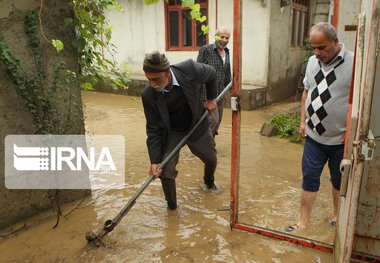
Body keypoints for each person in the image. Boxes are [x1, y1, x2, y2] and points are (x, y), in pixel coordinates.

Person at [285, 22, 354, 232]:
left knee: (338, 180)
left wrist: (352, 132)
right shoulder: (313, 63)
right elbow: (307, 92)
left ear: (335, 41)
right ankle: (304, 221)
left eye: (321, 47)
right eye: (313, 48)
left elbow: (358, 100)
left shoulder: (354, 63)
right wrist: (302, 121)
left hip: (340, 139)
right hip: (314, 136)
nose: (316, 53)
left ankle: (336, 215)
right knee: (309, 178)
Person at [141, 51, 219, 210]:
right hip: (172, 133)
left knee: (211, 159)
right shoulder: (148, 95)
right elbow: (153, 129)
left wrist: (211, 98)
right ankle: (172, 206)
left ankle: (209, 182)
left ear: (167, 73)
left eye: (156, 79)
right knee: (165, 170)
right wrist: (154, 161)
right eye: (149, 79)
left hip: (196, 126)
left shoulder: (189, 69)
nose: (152, 84)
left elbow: (211, 73)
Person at [197, 26, 231, 137]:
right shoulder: (206, 50)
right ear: (216, 36)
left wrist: (231, 89)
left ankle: (210, 142)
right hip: (207, 95)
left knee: (218, 121)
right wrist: (203, 97)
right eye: (222, 37)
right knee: (213, 121)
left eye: (227, 38)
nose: (224, 40)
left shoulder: (227, 52)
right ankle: (205, 144)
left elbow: (227, 73)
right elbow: (198, 72)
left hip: (220, 94)